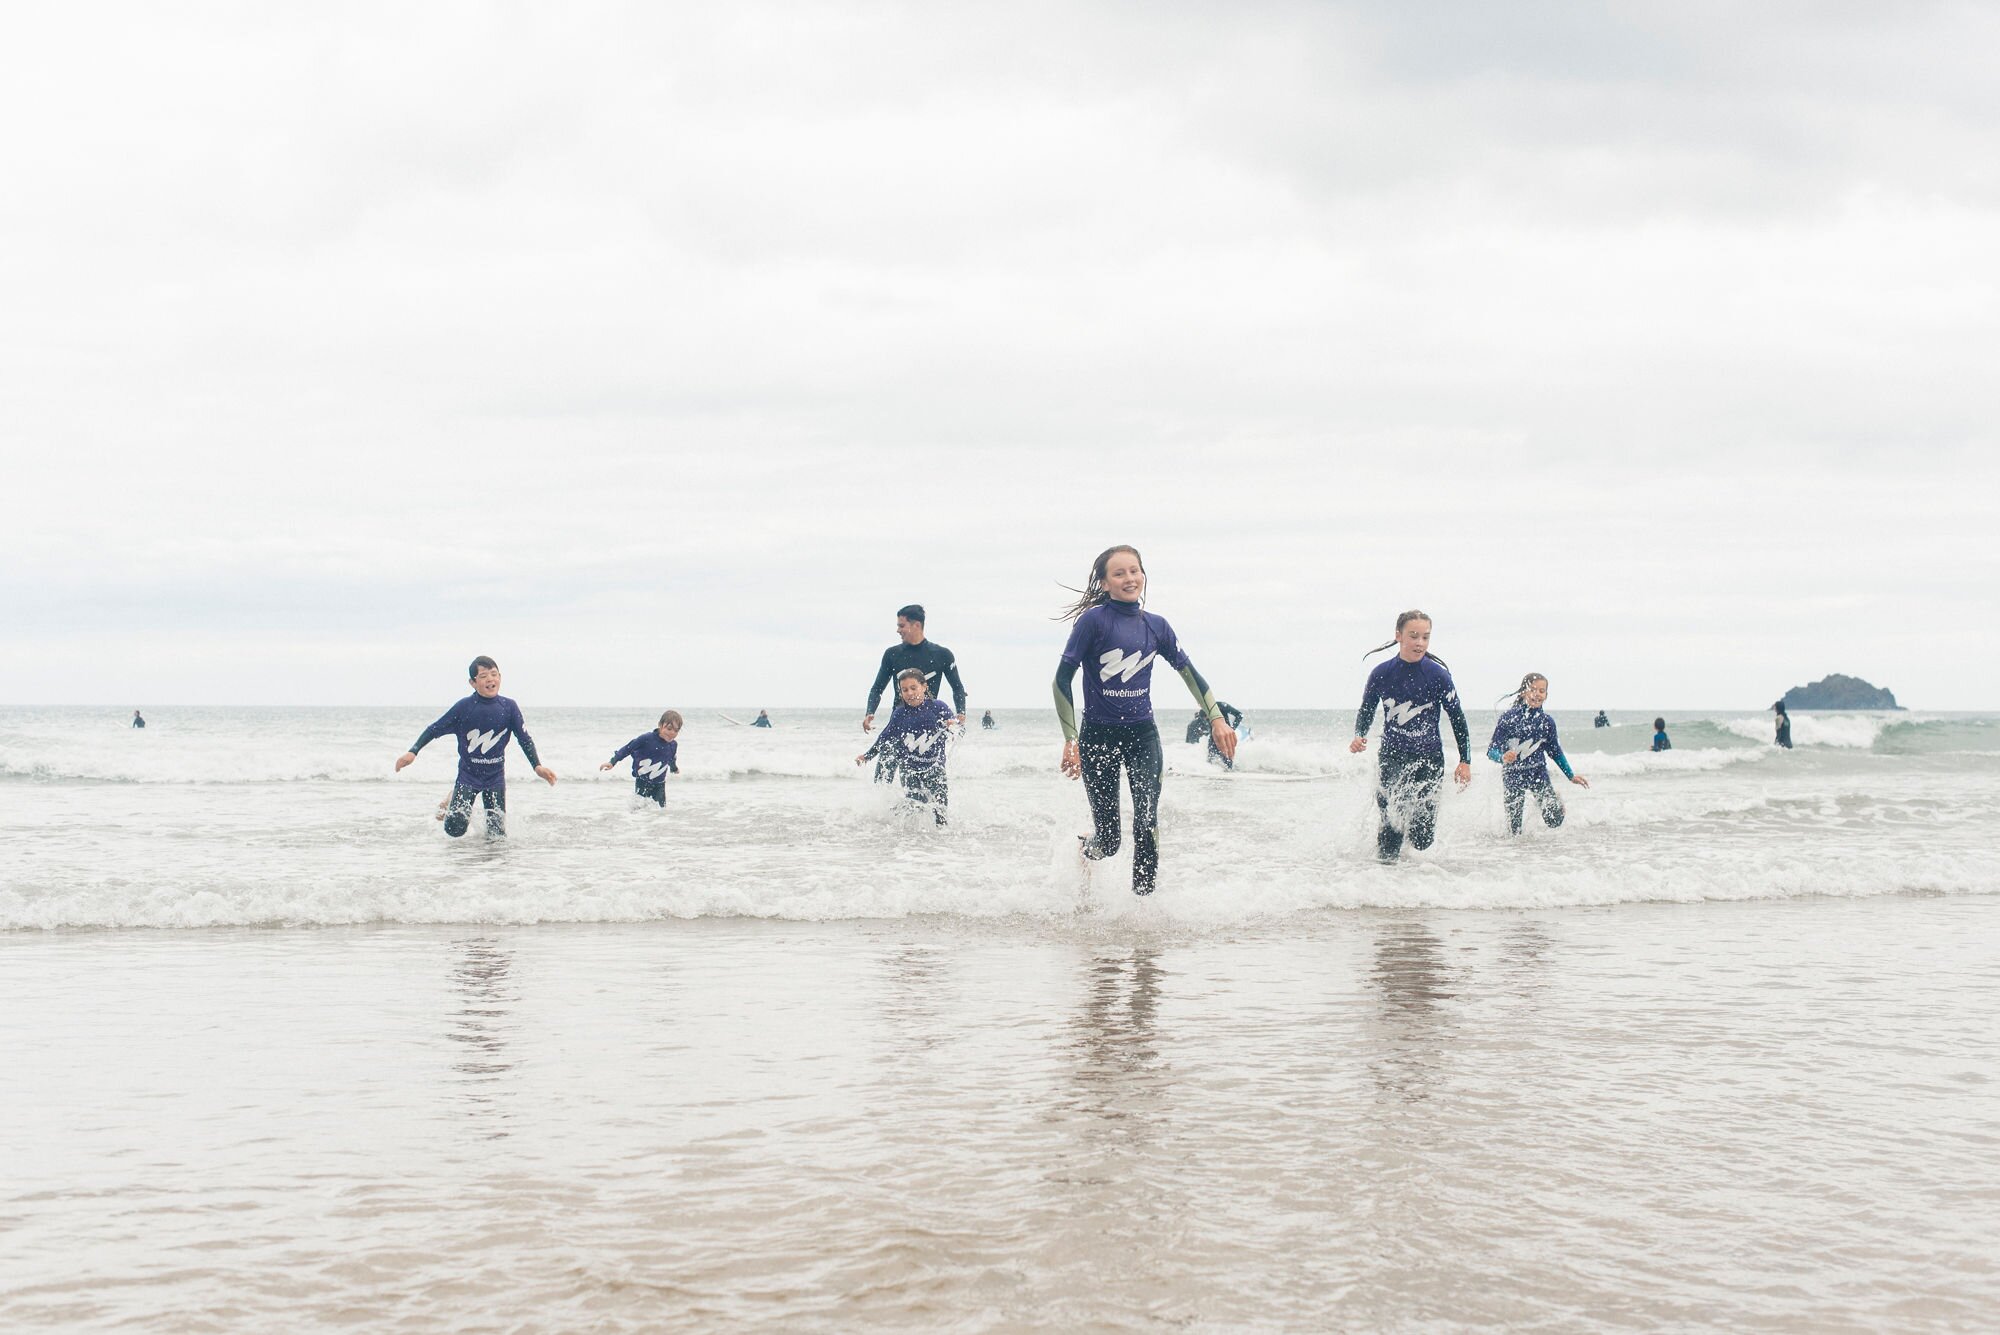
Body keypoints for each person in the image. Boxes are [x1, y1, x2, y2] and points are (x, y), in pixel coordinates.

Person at [1054, 544, 1236, 896]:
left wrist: (1216, 718)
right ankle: (1084, 850)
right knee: (1109, 842)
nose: (1129, 578)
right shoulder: (1093, 622)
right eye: (1119, 573)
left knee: (1147, 820)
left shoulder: (1157, 626)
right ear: (1105, 583)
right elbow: (1061, 680)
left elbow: (1189, 673)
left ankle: (1143, 911)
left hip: (1142, 735)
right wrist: (1071, 739)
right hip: (1099, 738)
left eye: (1134, 570)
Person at [1349, 610, 1471, 863]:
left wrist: (1465, 760)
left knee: (1422, 838)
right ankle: (1384, 886)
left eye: (1425, 637)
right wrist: (1359, 735)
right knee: (1391, 825)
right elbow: (1366, 710)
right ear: (1399, 636)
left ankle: (1406, 868)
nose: (1420, 643)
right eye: (1413, 636)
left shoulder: (1438, 675)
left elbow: (1457, 718)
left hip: (1429, 760)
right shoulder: (1381, 673)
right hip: (1392, 756)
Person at [395, 656, 556, 837]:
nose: (490, 679)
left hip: (495, 777)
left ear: (500, 677)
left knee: (496, 836)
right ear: (473, 682)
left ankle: (487, 865)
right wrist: (413, 751)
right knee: (454, 830)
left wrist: (537, 766)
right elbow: (434, 729)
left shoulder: (509, 707)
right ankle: (451, 797)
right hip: (468, 776)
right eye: (484, 676)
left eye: (494, 674)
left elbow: (524, 738)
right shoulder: (464, 707)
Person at [1488, 673, 1589, 835]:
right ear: (1523, 693)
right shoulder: (1508, 719)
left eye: (1541, 691)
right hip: (1512, 775)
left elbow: (1555, 752)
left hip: (1538, 772)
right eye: (1532, 689)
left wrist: (1571, 775)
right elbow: (1491, 751)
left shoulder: (1547, 722)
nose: (1537, 694)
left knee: (1554, 820)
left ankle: (1555, 800)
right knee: (1514, 831)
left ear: (1546, 695)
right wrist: (1502, 757)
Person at [857, 669, 957, 824]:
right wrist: (867, 756)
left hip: (935, 768)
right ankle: (911, 841)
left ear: (924, 687)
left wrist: (952, 725)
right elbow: (885, 737)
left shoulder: (938, 707)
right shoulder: (900, 713)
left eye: (913, 688)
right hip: (909, 770)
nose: (909, 693)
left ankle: (941, 844)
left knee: (941, 813)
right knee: (917, 807)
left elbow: (958, 729)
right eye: (905, 690)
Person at [862, 605, 968, 733]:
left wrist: (961, 713)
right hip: (899, 722)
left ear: (916, 625)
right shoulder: (892, 654)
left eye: (901, 626)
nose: (898, 630)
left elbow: (957, 688)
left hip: (929, 724)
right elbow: (877, 688)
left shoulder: (942, 654)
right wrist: (870, 712)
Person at [599, 710, 682, 806]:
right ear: (660, 725)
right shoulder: (646, 739)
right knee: (638, 811)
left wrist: (674, 768)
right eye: (669, 728)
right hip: (642, 782)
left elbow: (671, 758)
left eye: (676, 730)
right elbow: (628, 748)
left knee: (660, 813)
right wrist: (612, 762)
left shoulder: (673, 745)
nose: (672, 733)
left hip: (660, 785)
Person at [1185, 702, 1246, 768]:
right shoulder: (1202, 712)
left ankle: (1232, 775)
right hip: (1213, 739)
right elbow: (1205, 726)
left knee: (1228, 763)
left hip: (1225, 737)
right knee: (1210, 763)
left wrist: (1232, 728)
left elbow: (1239, 715)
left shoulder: (1221, 706)